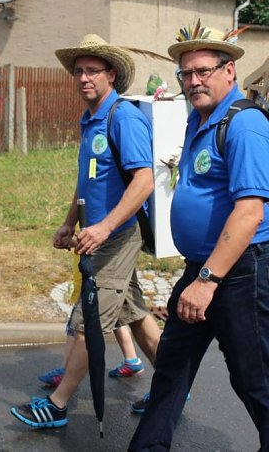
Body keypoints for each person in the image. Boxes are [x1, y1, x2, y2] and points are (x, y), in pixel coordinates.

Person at [128, 23, 269, 451]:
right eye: (186, 73)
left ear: (229, 71)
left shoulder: (245, 125)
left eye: (203, 71)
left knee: (253, 376)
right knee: (172, 367)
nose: (194, 80)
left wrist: (207, 282)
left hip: (240, 269)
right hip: (204, 268)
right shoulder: (200, 120)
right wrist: (199, 275)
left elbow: (250, 211)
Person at [11, 34, 162, 429]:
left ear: (111, 75)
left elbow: (143, 182)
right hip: (97, 233)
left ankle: (58, 406)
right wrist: (68, 222)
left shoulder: (123, 118)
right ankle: (172, 386)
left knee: (88, 319)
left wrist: (104, 227)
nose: (82, 78)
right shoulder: (90, 117)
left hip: (118, 234)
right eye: (78, 71)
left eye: (91, 71)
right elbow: (87, 178)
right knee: (134, 313)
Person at [38, 324, 145, 388]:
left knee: (76, 327)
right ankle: (132, 361)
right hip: (115, 290)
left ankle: (65, 372)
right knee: (117, 321)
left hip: (93, 291)